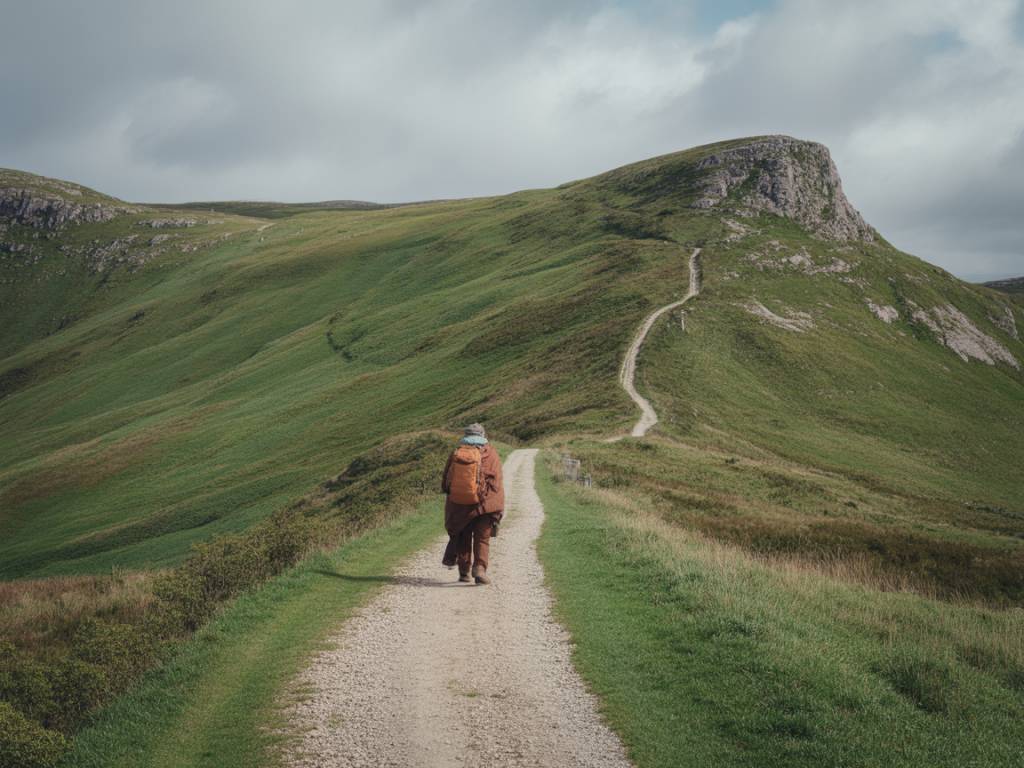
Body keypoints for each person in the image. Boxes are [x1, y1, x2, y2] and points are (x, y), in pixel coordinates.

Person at [441, 423, 504, 584]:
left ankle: (464, 572)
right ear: (483, 435)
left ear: (466, 436)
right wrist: (496, 507)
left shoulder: (456, 454)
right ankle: (480, 569)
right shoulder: (491, 454)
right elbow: (497, 482)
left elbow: (446, 482)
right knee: (482, 538)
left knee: (463, 537)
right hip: (485, 506)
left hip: (460, 504)